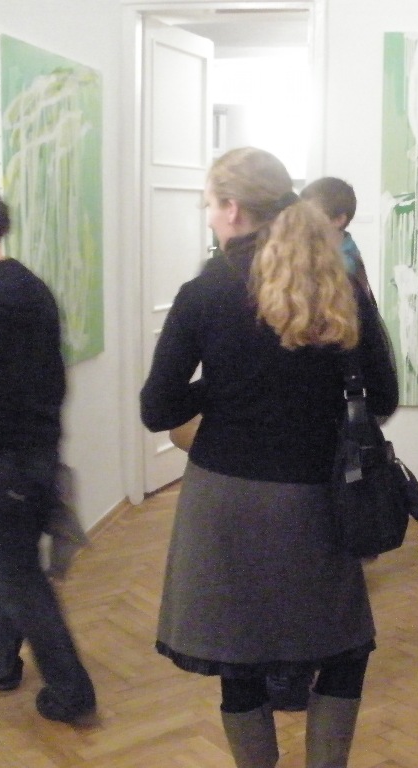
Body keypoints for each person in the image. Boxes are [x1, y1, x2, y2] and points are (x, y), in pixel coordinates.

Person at [140, 147, 398, 768]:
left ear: (233, 208)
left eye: (209, 204)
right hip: (319, 497)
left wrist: (222, 384)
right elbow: (385, 395)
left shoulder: (205, 290)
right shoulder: (339, 285)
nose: (209, 216)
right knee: (341, 646)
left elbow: (158, 408)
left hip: (225, 500)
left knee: (240, 657)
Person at [0, 180, 97, 724]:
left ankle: (72, 692)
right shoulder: (34, 289)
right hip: (39, 455)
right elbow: (55, 379)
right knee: (16, 561)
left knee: (21, 575)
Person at [299, 177, 375, 305]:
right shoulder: (326, 250)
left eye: (311, 216)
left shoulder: (344, 265)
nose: (302, 222)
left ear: (339, 220)